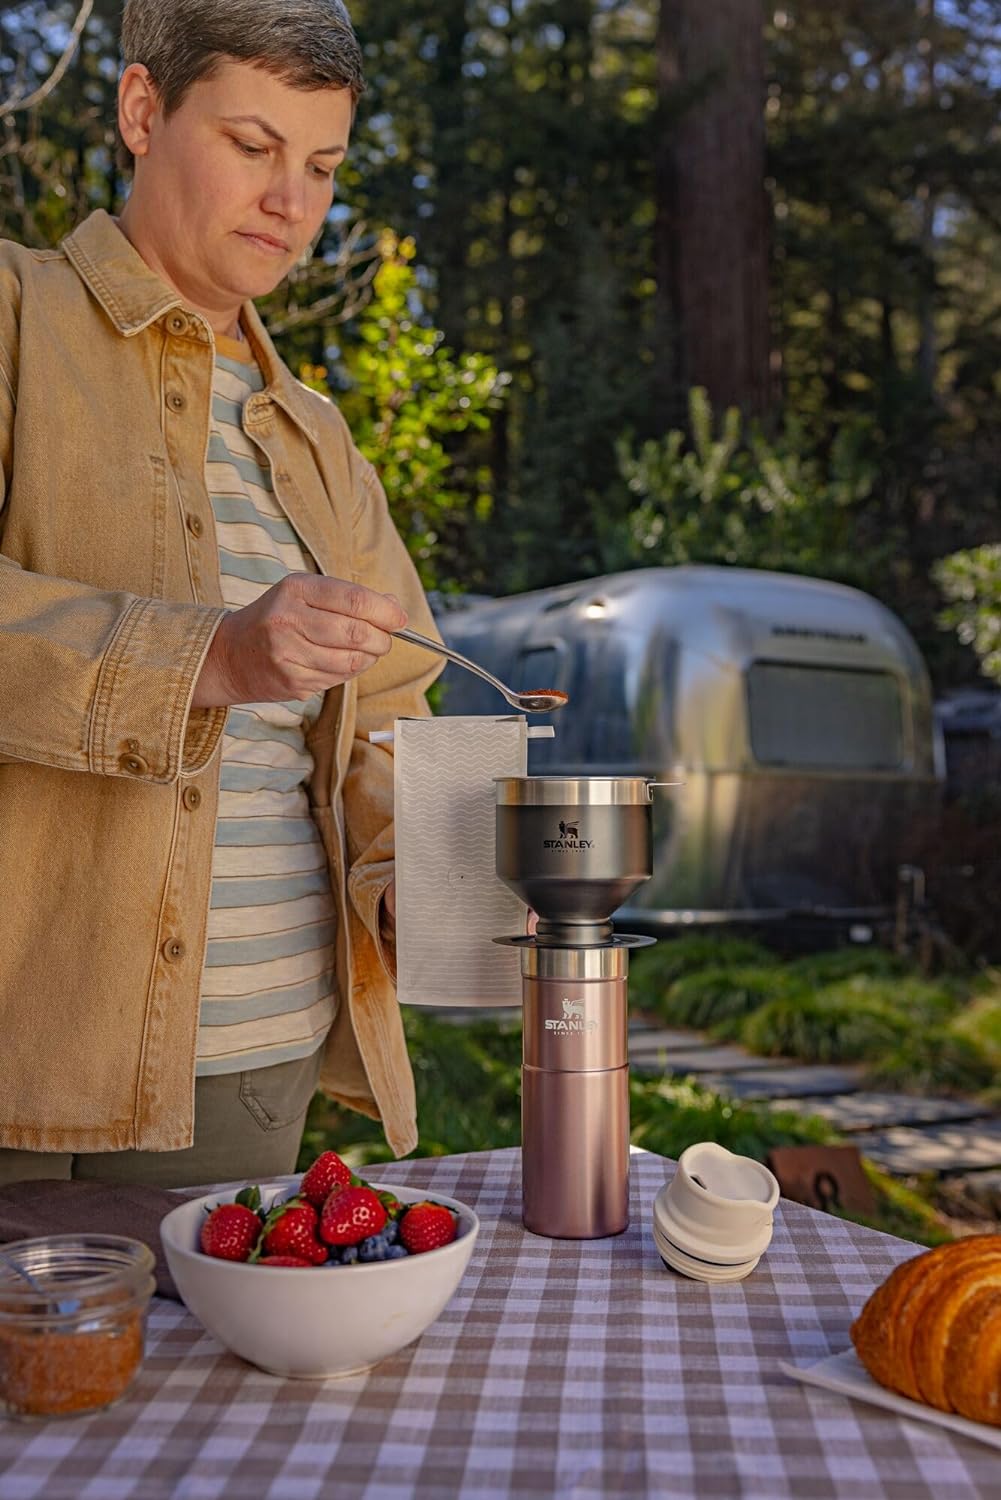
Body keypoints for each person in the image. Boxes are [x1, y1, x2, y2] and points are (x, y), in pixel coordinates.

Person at [0, 0, 443, 1187]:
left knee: (210, 1380)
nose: (292, 202)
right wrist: (210, 660)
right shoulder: (14, 320)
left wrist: (415, 879)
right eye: (252, 148)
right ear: (142, 111)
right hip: (19, 1049)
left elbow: (395, 716)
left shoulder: (318, 444)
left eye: (321, 165)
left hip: (255, 1062)